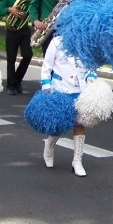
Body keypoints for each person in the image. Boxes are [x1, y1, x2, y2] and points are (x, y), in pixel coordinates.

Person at [39, 34, 99, 177]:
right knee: (60, 125)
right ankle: (49, 146)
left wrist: (91, 76)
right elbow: (46, 66)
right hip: (60, 89)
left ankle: (77, 161)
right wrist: (46, 85)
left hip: (80, 90)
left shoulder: (86, 41)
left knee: (79, 124)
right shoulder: (57, 41)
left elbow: (91, 65)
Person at [0, 0, 33, 95]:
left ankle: (17, 80)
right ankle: (11, 85)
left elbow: (30, 10)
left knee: (28, 55)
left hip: (24, 29)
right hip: (12, 30)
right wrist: (9, 9)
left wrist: (27, 14)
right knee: (11, 58)